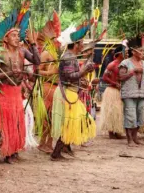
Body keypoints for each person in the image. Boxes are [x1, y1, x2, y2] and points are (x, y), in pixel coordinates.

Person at [0, 1, 41, 163]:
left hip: (16, 92)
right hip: (2, 91)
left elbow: (37, 61)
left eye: (18, 35)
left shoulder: (22, 50)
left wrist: (33, 44)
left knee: (17, 122)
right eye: (13, 35)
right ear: (5, 38)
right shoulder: (0, 53)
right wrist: (11, 72)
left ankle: (12, 151)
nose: (17, 37)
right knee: (2, 123)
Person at [50, 24, 96, 161]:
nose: (83, 45)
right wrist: (84, 70)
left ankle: (63, 148)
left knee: (74, 122)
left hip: (70, 92)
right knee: (70, 123)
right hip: (67, 93)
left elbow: (72, 76)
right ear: (76, 44)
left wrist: (82, 78)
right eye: (81, 43)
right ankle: (56, 153)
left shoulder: (70, 56)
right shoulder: (69, 57)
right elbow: (71, 76)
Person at [36, 11, 61, 154]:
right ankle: (42, 143)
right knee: (46, 118)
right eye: (55, 39)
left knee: (54, 117)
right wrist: (51, 73)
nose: (58, 41)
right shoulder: (45, 54)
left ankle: (48, 143)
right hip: (46, 89)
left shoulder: (58, 54)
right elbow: (38, 72)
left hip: (56, 89)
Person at [118, 37, 144, 147]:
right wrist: (133, 71)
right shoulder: (125, 63)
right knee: (130, 116)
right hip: (129, 93)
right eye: (140, 51)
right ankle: (129, 140)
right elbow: (121, 77)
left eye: (142, 51)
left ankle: (135, 137)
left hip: (141, 94)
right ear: (133, 51)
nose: (142, 53)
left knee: (141, 116)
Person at [101, 46, 125, 139]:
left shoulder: (123, 64)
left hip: (119, 91)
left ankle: (117, 131)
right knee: (112, 111)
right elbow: (104, 77)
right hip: (112, 91)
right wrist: (115, 83)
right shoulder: (112, 64)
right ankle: (111, 132)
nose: (126, 54)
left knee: (118, 111)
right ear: (119, 54)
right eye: (124, 52)